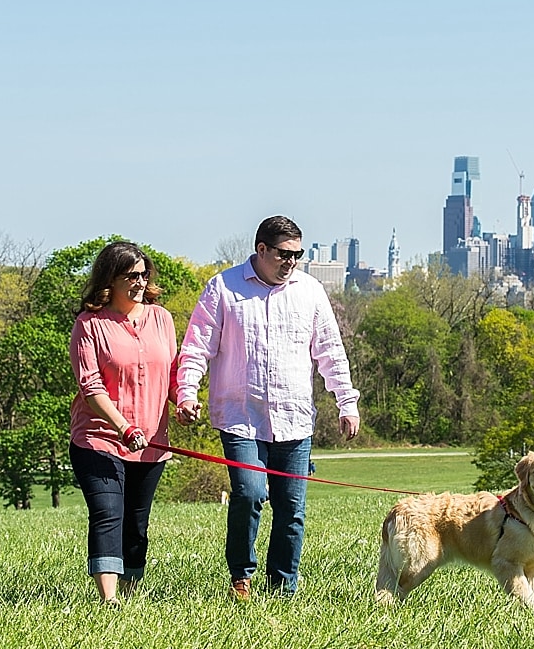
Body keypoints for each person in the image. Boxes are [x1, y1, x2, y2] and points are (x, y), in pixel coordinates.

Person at [176, 215, 360, 600]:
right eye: (284, 254)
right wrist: (187, 391)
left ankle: (282, 588)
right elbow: (197, 345)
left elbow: (330, 352)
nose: (292, 262)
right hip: (240, 416)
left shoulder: (309, 291)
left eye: (298, 254)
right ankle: (241, 577)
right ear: (261, 249)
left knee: (292, 507)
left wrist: (347, 402)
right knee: (249, 492)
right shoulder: (224, 288)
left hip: (294, 419)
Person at [69, 240, 178, 603]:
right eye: (131, 276)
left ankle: (129, 592)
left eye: (144, 274)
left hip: (150, 443)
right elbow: (90, 386)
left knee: (136, 524)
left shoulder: (161, 319)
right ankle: (109, 600)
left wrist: (184, 402)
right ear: (110, 279)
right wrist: (123, 427)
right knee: (107, 513)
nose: (140, 282)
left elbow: (171, 373)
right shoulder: (90, 325)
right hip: (99, 439)